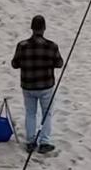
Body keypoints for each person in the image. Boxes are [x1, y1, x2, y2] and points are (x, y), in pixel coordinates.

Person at [12, 15, 64, 154]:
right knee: (46, 114)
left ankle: (31, 141)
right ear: (44, 28)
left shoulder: (22, 46)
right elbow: (59, 63)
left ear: (32, 28)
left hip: (28, 86)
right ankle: (44, 142)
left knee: (30, 113)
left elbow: (14, 64)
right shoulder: (52, 46)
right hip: (46, 86)